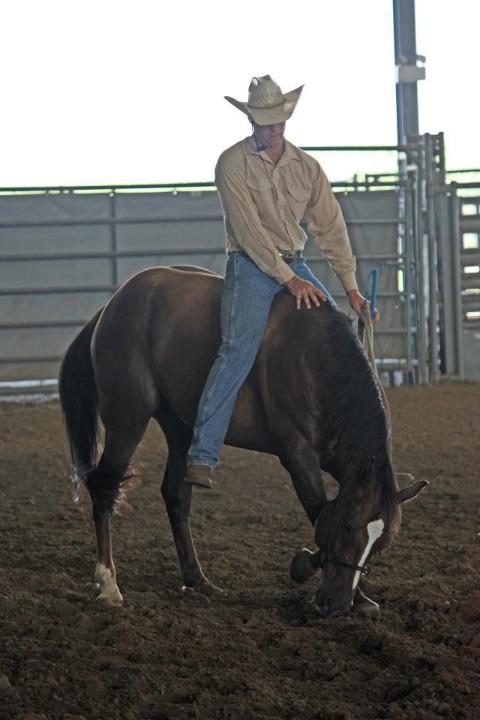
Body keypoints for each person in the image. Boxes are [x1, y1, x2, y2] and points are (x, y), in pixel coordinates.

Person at [185, 75, 375, 489]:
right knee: (237, 349)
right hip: (251, 265)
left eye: (279, 121)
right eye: (267, 122)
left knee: (338, 336)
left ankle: (354, 448)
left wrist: (350, 287)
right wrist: (289, 280)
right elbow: (248, 232)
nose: (275, 128)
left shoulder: (306, 168)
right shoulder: (231, 163)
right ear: (252, 120)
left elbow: (331, 226)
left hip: (294, 261)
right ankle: (203, 454)